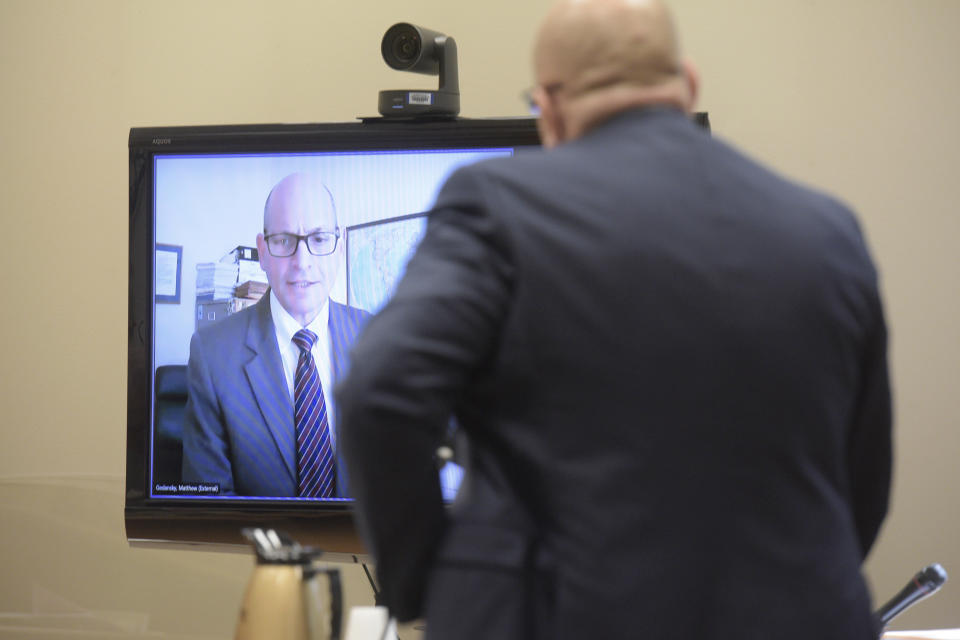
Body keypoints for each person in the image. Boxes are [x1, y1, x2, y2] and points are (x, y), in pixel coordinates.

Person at [336, 0, 892, 638]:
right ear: (687, 84)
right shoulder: (827, 231)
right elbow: (860, 481)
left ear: (548, 105)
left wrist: (424, 582)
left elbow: (380, 394)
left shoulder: (495, 206)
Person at [182, 172, 368, 498]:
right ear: (263, 252)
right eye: (284, 240)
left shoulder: (379, 340)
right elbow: (207, 510)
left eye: (320, 239)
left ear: (339, 246)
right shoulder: (212, 354)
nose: (302, 262)